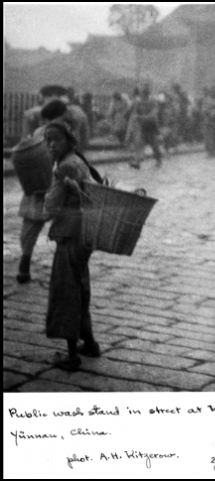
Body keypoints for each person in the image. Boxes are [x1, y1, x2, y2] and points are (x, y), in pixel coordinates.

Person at [43, 118, 100, 371]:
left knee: (66, 290)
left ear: (68, 140)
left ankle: (71, 355)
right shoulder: (78, 160)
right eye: (47, 141)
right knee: (80, 287)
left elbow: (50, 209)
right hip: (85, 233)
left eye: (55, 140)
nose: (51, 145)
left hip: (69, 234)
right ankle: (89, 343)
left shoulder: (64, 167)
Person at [16, 93, 88, 284]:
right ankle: (65, 266)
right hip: (59, 183)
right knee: (66, 227)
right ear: (62, 114)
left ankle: (25, 263)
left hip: (38, 183)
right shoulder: (67, 129)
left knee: (30, 226)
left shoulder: (40, 131)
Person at [129, 85, 162, 169]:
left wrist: (141, 117)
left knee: (154, 144)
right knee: (140, 144)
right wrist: (136, 116)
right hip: (143, 126)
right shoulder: (139, 102)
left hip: (152, 126)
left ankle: (158, 160)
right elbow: (136, 112)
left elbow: (153, 115)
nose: (143, 96)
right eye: (143, 94)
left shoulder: (153, 102)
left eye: (145, 94)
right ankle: (137, 162)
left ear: (148, 94)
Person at [202, 87, 215, 159]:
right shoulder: (210, 100)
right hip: (210, 121)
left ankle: (212, 152)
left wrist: (213, 113)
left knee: (212, 138)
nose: (213, 93)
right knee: (210, 138)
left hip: (211, 122)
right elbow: (204, 110)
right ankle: (211, 152)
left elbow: (204, 110)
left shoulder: (209, 100)